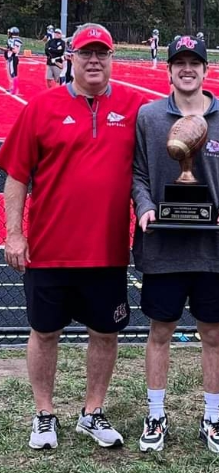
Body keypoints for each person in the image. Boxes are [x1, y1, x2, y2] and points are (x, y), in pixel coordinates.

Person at [0, 22, 146, 450]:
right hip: (49, 249)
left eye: (102, 53)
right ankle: (44, 414)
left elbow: (179, 125)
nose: (94, 60)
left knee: (105, 332)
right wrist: (14, 233)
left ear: (111, 58)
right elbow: (16, 177)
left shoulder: (136, 106)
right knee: (44, 332)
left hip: (107, 250)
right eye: (86, 53)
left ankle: (92, 411)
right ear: (71, 59)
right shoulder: (40, 108)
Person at [132, 35, 219, 454]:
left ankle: (213, 419)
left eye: (194, 62)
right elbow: (139, 173)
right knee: (160, 331)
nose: (187, 69)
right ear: (169, 70)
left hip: (213, 247)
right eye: (179, 62)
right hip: (162, 245)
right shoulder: (148, 116)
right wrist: (145, 206)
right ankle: (156, 415)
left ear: (205, 69)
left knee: (213, 334)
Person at [4, 27, 22, 95]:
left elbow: (15, 50)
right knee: (11, 74)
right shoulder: (11, 40)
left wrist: (9, 47)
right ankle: (12, 87)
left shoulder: (17, 41)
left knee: (13, 74)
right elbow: (8, 49)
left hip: (13, 58)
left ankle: (15, 90)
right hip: (10, 58)